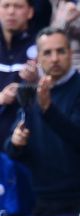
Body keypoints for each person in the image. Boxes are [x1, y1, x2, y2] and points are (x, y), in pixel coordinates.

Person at [5, 27, 80, 216]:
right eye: (47, 52)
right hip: (45, 200)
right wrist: (16, 142)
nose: (54, 58)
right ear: (38, 58)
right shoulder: (32, 93)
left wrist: (48, 109)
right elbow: (12, 148)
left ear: (70, 53)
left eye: (60, 51)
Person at [0, 0, 36, 145]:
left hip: (25, 139)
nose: (11, 11)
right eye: (6, 6)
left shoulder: (42, 46)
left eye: (18, 6)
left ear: (30, 12)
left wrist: (34, 81)